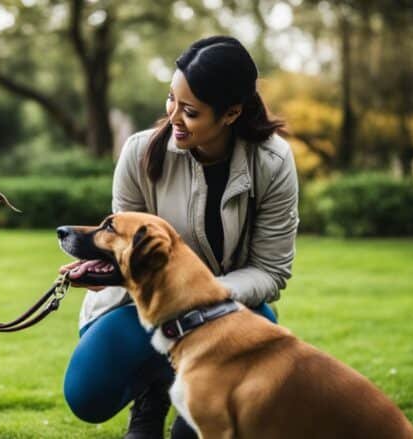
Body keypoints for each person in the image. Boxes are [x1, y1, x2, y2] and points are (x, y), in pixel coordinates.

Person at [60, 35, 299, 439]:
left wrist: (199, 298)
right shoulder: (139, 153)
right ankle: (152, 392)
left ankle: (197, 400)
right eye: (171, 99)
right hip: (140, 308)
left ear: (231, 113)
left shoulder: (273, 163)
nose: (173, 117)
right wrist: (97, 270)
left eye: (190, 111)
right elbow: (121, 245)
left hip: (227, 311)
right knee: (86, 395)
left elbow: (271, 271)